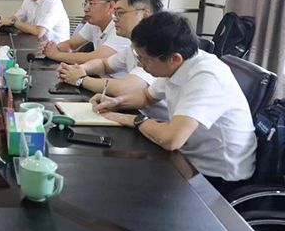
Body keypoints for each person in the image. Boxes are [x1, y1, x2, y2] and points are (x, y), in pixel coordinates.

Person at [91, 12, 257, 191]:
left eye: (144, 60)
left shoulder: (206, 78)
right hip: (187, 159)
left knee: (122, 185)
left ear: (174, 59)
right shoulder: (179, 64)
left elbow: (171, 140)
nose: (140, 65)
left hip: (216, 179)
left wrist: (132, 119)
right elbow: (147, 97)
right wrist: (115, 102)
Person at [56, 0, 168, 119]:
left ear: (145, 15)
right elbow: (104, 64)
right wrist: (80, 69)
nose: (114, 18)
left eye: (120, 13)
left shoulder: (156, 49)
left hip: (161, 125)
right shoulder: (133, 47)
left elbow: (123, 88)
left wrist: (80, 79)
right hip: (139, 115)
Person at [39, 0, 130, 66]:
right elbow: (70, 45)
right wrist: (52, 47)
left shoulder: (120, 28)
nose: (86, 9)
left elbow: (96, 58)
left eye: (91, 3)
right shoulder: (93, 24)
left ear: (110, 6)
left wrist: (56, 55)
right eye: (85, 3)